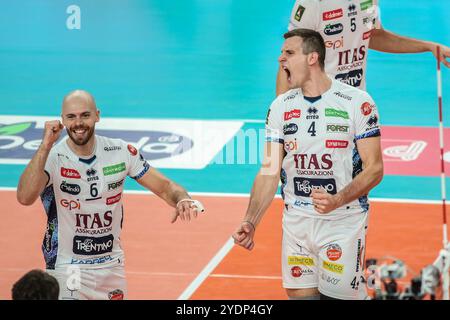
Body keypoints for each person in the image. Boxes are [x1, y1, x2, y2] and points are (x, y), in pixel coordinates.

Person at [233, 28, 383, 300]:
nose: (281, 60)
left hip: (343, 222)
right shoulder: (279, 107)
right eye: (281, 54)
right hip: (297, 225)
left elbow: (375, 169)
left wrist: (337, 200)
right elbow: (269, 171)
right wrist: (250, 221)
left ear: (312, 58)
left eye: (288, 53)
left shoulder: (357, 103)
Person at [16, 90, 205, 300]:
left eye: (85, 115)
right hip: (67, 267)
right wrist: (45, 145)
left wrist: (182, 199)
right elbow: (25, 197)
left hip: (110, 267)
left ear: (97, 115)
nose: (78, 123)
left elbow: (165, 186)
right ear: (63, 120)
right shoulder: (52, 157)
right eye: (71, 117)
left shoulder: (120, 151)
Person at [276, 0, 450, 95]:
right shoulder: (312, 4)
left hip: (355, 101)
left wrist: (429, 46)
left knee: (370, 161)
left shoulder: (369, 1)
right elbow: (289, 60)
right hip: (316, 104)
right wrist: (281, 120)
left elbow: (373, 36)